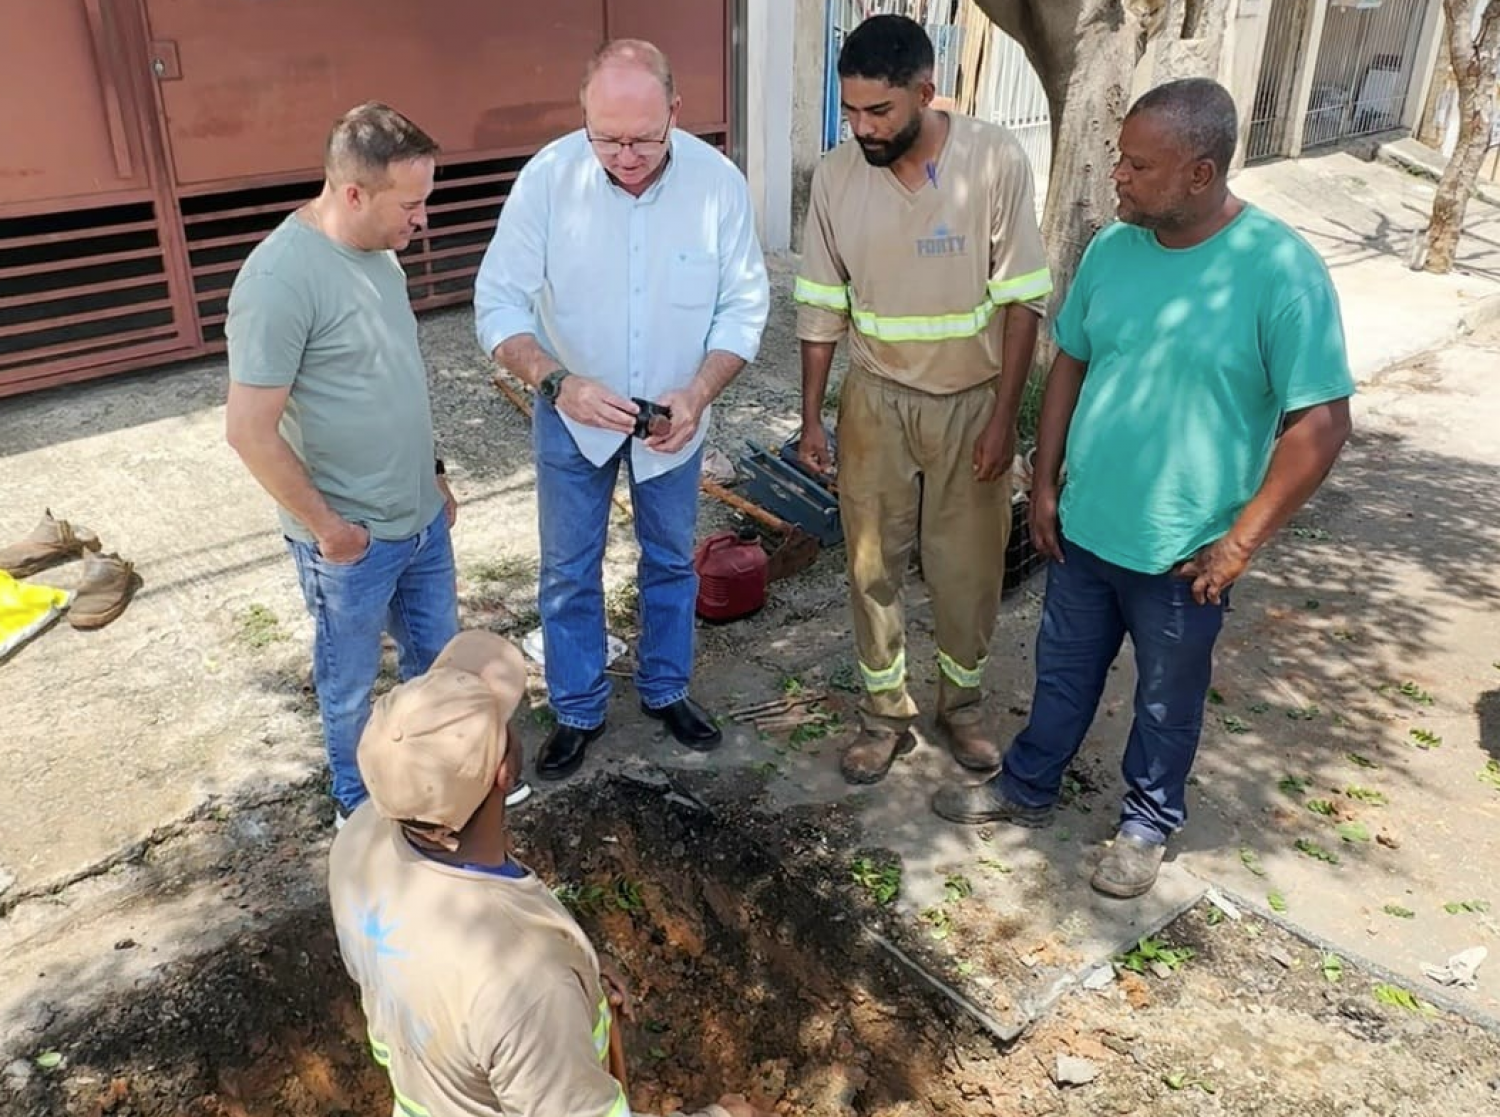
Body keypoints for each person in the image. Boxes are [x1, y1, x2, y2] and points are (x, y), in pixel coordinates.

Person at [932, 78, 1354, 899]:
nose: (1117, 176)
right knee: (1062, 672)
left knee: (1166, 699)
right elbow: (1072, 360)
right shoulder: (1111, 251)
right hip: (1086, 526)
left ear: (1200, 173)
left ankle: (1148, 821)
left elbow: (1322, 424)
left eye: (1138, 165)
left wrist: (1238, 545)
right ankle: (1027, 785)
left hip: (1185, 553)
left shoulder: (1280, 272)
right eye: (1118, 158)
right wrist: (1044, 481)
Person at [474, 40, 770, 782]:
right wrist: (555, 381)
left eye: (644, 139)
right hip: (571, 414)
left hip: (676, 417)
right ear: (583, 117)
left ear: (676, 112)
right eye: (607, 139)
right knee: (568, 569)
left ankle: (666, 688)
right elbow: (498, 303)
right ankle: (577, 707)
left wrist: (699, 392)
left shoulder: (718, 185)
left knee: (670, 560)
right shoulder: (548, 180)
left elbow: (744, 305)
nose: (627, 157)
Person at [226, 103, 529, 821]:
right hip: (351, 542)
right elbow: (248, 432)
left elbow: (397, 376)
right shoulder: (277, 281)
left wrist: (435, 473)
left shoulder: (381, 252)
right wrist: (331, 531)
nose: (422, 219)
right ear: (354, 193)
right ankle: (358, 804)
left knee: (439, 667)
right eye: (411, 204)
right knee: (350, 685)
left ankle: (443, 788)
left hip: (419, 521)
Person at [328, 628, 773, 1117]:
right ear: (505, 773)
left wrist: (578, 971)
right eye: (504, 722)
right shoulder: (529, 987)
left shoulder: (359, 840)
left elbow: (416, 989)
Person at [794, 15, 1050, 785]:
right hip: (875, 400)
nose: (863, 128)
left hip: (971, 403)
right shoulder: (837, 176)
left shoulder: (993, 160)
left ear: (926, 92)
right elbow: (819, 304)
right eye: (851, 111)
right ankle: (884, 715)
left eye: (880, 111)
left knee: (966, 569)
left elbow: (1023, 300)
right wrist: (811, 418)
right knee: (871, 566)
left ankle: (961, 706)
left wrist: (1004, 419)